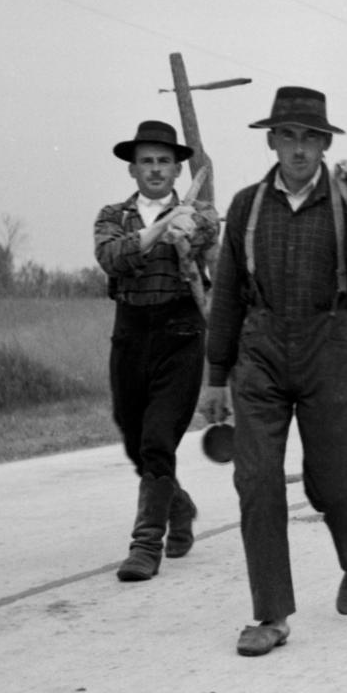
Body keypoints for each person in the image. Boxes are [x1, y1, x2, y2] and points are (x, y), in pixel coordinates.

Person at [198, 86, 347, 657]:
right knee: (256, 481)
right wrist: (216, 378)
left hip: (327, 346)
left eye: (312, 137)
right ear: (272, 140)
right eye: (289, 135)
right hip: (260, 352)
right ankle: (270, 615)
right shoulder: (244, 206)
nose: (301, 148)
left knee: (327, 483)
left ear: (325, 143)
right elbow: (229, 296)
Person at [94, 119, 221, 583]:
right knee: (133, 440)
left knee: (157, 439)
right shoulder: (112, 217)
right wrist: (159, 229)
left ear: (177, 168)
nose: (154, 169)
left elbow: (213, 254)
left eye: (164, 161)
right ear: (132, 169)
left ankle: (146, 545)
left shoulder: (201, 213)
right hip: (129, 335)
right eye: (146, 161)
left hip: (181, 334)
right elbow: (113, 257)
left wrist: (189, 233)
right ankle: (179, 506)